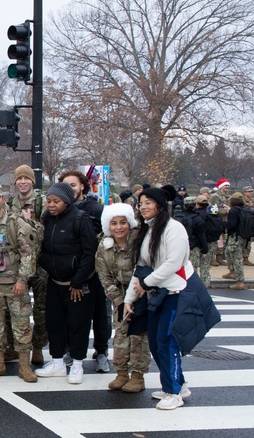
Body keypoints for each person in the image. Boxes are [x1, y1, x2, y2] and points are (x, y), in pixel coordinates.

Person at [124, 187, 220, 410]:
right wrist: (130, 298)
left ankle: (173, 392)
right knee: (157, 343)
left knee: (168, 342)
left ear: (159, 204)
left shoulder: (173, 228)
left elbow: (173, 263)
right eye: (141, 203)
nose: (143, 206)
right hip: (159, 294)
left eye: (148, 202)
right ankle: (179, 384)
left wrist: (146, 285)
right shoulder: (147, 231)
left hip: (178, 292)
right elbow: (141, 268)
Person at [35, 182, 97, 384]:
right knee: (54, 322)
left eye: (56, 201)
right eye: (49, 200)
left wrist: (78, 281)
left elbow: (90, 253)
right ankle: (57, 362)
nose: (51, 205)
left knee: (78, 324)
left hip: (77, 284)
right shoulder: (47, 218)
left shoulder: (81, 219)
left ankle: (77, 365)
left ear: (67, 201)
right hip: (55, 280)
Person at [0, 184, 38, 383]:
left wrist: (22, 280)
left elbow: (28, 254)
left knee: (21, 325)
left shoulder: (16, 223)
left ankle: (24, 366)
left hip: (14, 285)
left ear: (3, 200)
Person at [60, 169, 111, 372]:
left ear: (82, 186)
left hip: (97, 270)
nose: (70, 189)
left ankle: (101, 352)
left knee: (101, 315)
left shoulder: (96, 209)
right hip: (72, 271)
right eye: (66, 186)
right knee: (72, 315)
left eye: (73, 185)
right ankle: (70, 350)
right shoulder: (59, 209)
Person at [95, 203, 148, 393]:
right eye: (114, 223)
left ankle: (137, 375)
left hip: (142, 293)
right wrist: (118, 299)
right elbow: (104, 275)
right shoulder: (104, 247)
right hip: (119, 295)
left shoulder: (140, 242)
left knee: (139, 337)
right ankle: (121, 373)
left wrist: (140, 292)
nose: (119, 227)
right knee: (120, 336)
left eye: (123, 222)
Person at [9, 164, 49, 365]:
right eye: (19, 179)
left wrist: (29, 223)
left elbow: (46, 232)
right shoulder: (10, 203)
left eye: (26, 179)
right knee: (17, 309)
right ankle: (16, 346)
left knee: (41, 309)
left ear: (32, 181)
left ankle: (38, 346)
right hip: (18, 264)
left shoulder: (42, 202)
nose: (23, 182)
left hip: (39, 263)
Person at [224, 193, 248, 290]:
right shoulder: (244, 209)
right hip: (243, 236)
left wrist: (223, 224)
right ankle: (232, 271)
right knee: (228, 252)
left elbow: (232, 224)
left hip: (235, 237)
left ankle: (240, 281)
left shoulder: (233, 211)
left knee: (236, 257)